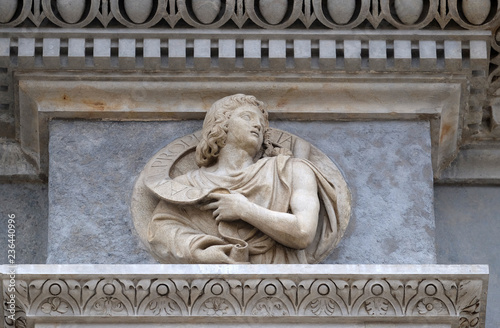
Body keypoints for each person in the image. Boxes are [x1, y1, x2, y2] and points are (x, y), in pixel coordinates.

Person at [147, 94, 341, 264]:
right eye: (246, 117)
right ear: (220, 127)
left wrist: (244, 209)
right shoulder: (186, 185)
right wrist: (207, 252)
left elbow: (303, 232)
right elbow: (162, 232)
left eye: (260, 123)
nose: (257, 125)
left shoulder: (290, 170)